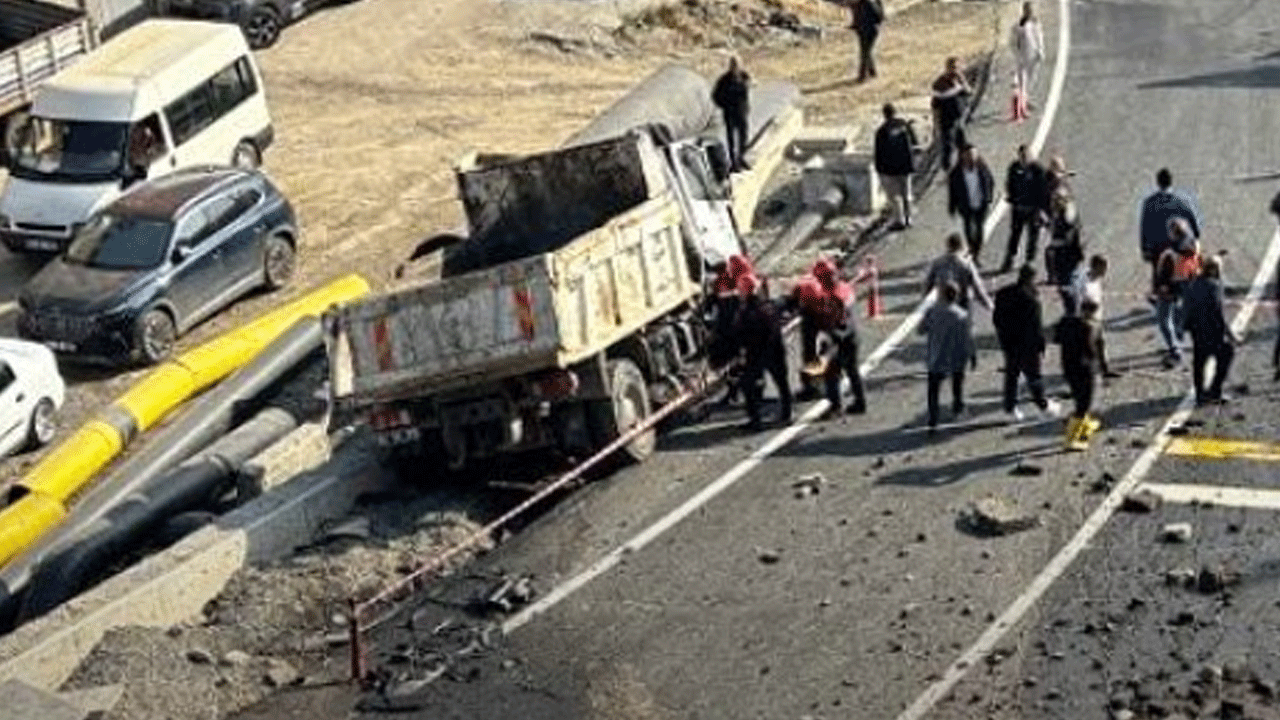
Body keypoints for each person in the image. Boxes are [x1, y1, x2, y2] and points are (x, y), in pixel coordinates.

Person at [993, 265, 1060, 421]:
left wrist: (1003, 336)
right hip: (1028, 346)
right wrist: (1041, 346)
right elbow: (1036, 327)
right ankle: (1043, 406)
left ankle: (1010, 408)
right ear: (1031, 279)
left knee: (1012, 375)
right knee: (1034, 377)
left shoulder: (1003, 293)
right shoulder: (1032, 301)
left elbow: (996, 318)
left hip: (1009, 343)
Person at [808, 258, 867, 417]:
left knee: (831, 372)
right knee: (852, 371)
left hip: (840, 338)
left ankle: (835, 407)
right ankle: (860, 402)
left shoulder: (832, 297)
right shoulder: (844, 288)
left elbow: (835, 320)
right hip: (851, 335)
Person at [734, 274, 793, 430]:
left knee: (749, 386)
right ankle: (787, 415)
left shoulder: (747, 312)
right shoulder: (770, 305)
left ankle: (755, 420)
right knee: (782, 383)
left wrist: (742, 353)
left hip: (757, 354)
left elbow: (742, 335)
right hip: (776, 351)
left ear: (745, 291)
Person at [1182, 255, 1236, 406]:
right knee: (1227, 354)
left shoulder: (1194, 284)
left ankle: (1200, 394)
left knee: (1199, 362)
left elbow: (1187, 307)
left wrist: (1186, 326)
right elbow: (1218, 313)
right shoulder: (1214, 286)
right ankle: (1215, 390)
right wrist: (1229, 334)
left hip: (1196, 330)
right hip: (1213, 331)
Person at [920, 281, 971, 433]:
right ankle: (957, 408)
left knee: (933, 390)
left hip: (936, 356)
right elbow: (966, 339)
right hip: (955, 357)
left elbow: (920, 330)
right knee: (957, 384)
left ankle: (933, 419)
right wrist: (971, 355)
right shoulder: (961, 315)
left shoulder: (932, 311)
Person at [1139, 168, 1202, 287]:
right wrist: (1195, 237)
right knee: (1179, 277)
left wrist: (1144, 248)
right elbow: (1192, 220)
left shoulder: (1149, 203)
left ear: (1158, 182)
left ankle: (1159, 293)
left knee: (1158, 276)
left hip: (1157, 247)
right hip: (1177, 247)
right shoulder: (1179, 201)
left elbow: (1144, 226)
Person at [1054, 299, 1104, 451]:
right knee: (1084, 404)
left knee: (1078, 398)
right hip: (1086, 369)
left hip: (1068, 367)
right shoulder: (1091, 326)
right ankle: (1072, 438)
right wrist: (1101, 367)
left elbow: (1056, 339)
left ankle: (1083, 425)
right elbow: (1092, 350)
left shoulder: (1065, 321)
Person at [1153, 218, 1201, 369]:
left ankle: (1175, 351)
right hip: (1187, 288)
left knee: (1164, 320)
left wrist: (1159, 288)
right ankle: (1178, 341)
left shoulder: (1169, 254)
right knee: (1179, 318)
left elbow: (1162, 275)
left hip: (1170, 289)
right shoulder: (1194, 247)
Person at [1066, 254, 1121, 378]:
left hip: (1096, 318)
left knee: (1100, 343)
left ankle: (1104, 369)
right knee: (1086, 348)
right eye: (1103, 267)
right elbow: (1078, 300)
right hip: (1086, 321)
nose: (1105, 271)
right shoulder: (1083, 282)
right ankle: (1081, 373)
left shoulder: (1095, 279)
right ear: (1096, 267)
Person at [1001, 143, 1050, 273]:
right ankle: (1010, 258)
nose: (1024, 159)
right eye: (1022, 156)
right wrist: (1012, 199)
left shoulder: (1038, 170)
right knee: (1015, 235)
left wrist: (1041, 209)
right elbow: (1010, 184)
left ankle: (1029, 261)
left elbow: (1043, 191)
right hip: (1018, 208)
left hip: (1033, 210)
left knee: (1033, 237)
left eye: (1027, 156)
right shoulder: (1014, 167)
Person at [947, 142, 996, 266]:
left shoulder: (982, 168)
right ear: (963, 156)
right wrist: (952, 207)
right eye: (969, 154)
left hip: (981, 204)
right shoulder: (956, 173)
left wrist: (989, 197)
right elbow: (952, 192)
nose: (972, 157)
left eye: (974, 154)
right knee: (969, 231)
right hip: (966, 206)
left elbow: (990, 181)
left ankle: (976, 253)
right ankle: (973, 253)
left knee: (979, 231)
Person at [873, 102, 919, 231]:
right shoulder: (904, 125)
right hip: (906, 166)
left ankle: (900, 220)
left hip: (890, 170)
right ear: (895, 112)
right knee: (907, 194)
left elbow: (879, 153)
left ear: (884, 114)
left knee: (895, 197)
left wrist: (879, 170)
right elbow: (915, 143)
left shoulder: (881, 131)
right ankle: (909, 218)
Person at [924, 231, 993, 312]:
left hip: (943, 300)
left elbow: (928, 283)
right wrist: (989, 305)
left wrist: (926, 301)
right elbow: (977, 287)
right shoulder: (966, 264)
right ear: (962, 247)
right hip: (962, 301)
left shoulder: (937, 262)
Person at [1044, 186, 1083, 309]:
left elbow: (1067, 239)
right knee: (1065, 286)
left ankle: (1073, 311)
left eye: (1056, 200)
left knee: (1066, 286)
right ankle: (1072, 309)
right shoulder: (1062, 214)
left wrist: (1053, 245)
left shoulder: (1067, 217)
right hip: (1064, 255)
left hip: (1067, 256)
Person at [931, 57, 972, 170]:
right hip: (947, 121)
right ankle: (948, 170)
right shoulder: (940, 84)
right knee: (948, 147)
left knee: (963, 144)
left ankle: (963, 166)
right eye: (953, 68)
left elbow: (969, 92)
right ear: (947, 68)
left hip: (960, 119)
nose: (956, 71)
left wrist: (962, 81)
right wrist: (935, 125)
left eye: (958, 68)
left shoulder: (959, 80)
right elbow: (935, 106)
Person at [712, 58, 751, 173]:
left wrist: (746, 105)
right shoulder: (724, 80)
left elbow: (749, 88)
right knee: (731, 139)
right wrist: (725, 105)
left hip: (742, 112)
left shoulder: (744, 76)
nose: (735, 67)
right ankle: (734, 163)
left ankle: (741, 158)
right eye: (733, 65)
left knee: (743, 137)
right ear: (730, 66)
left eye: (737, 65)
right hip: (730, 113)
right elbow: (715, 95)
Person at [1009, 2, 1045, 110]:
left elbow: (1039, 37)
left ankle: (1027, 98)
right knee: (1023, 79)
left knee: (1032, 78)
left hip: (1033, 54)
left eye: (1031, 10)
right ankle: (1023, 101)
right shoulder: (1019, 25)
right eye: (1028, 10)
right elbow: (1012, 41)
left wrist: (1040, 50)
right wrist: (1016, 54)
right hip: (1023, 55)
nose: (1030, 12)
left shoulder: (1035, 22)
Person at [851, 0, 885, 82]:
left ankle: (862, 76)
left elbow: (879, 17)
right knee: (866, 52)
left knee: (865, 53)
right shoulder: (857, 5)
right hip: (862, 31)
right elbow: (856, 19)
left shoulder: (869, 3)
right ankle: (872, 72)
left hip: (871, 31)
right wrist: (855, 26)